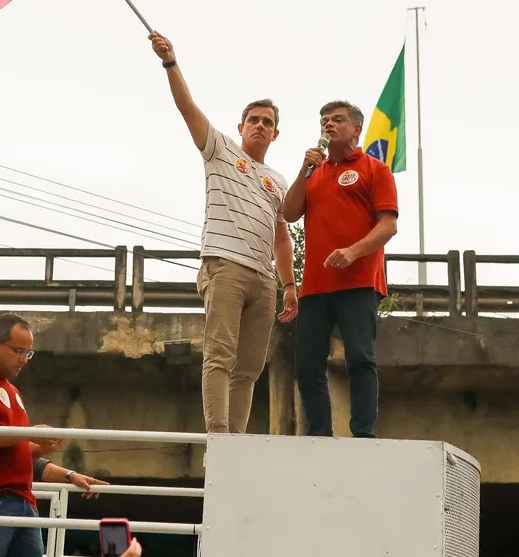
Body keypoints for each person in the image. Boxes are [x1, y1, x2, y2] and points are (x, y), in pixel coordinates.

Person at [149, 31, 298, 434]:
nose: (261, 126)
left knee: (249, 367)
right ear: (241, 125)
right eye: (255, 120)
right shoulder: (221, 150)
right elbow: (187, 107)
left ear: (276, 133)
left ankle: (237, 439)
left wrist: (288, 284)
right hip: (225, 265)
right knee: (220, 354)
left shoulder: (278, 180)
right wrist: (170, 62)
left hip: (264, 277)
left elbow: (282, 235)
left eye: (268, 123)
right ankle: (218, 435)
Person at [282, 100, 399, 438]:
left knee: (360, 357)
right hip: (316, 286)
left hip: (360, 281)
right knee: (307, 365)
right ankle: (320, 434)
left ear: (356, 128)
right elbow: (290, 213)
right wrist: (304, 170)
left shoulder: (374, 169)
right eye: (323, 121)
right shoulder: (314, 172)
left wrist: (352, 252)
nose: (328, 125)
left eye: (336, 119)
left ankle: (362, 433)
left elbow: (387, 226)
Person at [0, 313, 104, 557]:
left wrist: (42, 448)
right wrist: (29, 434)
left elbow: (11, 444)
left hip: (23, 500)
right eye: (18, 351)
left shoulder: (12, 390)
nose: (23, 360)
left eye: (28, 353)